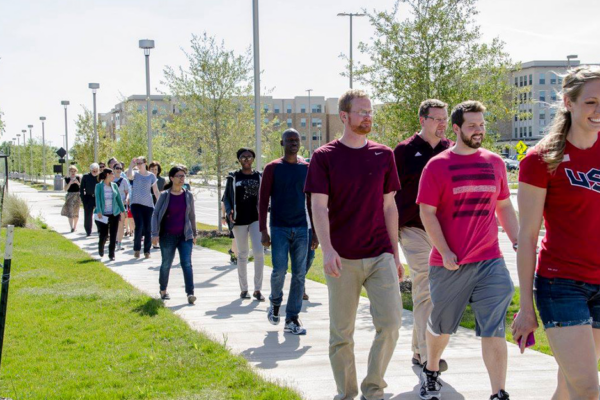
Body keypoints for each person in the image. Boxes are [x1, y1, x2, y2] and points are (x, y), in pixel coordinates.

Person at [305, 89, 403, 400]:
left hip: (380, 255)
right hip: (342, 258)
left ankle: (373, 389)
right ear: (344, 116)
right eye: (361, 112)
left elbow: (389, 206)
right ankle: (346, 394)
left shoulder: (384, 155)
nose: (367, 117)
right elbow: (319, 206)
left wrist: (395, 253)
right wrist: (328, 248)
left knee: (390, 325)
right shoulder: (324, 157)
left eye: (370, 111)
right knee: (341, 335)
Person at [417, 100, 518, 400]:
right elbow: (427, 212)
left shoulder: (494, 162)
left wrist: (518, 241)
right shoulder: (437, 165)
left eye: (482, 124)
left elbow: (503, 206)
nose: (479, 130)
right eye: (472, 125)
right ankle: (431, 369)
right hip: (450, 264)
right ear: (457, 128)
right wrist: (445, 251)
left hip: (490, 260)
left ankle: (498, 392)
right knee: (442, 326)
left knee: (494, 327)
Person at [512, 66, 600, 400]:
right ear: (568, 102)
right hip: (561, 284)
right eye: (591, 102)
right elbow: (528, 237)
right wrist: (525, 306)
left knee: (569, 385)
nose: (598, 111)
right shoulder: (541, 160)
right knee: (589, 389)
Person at [394, 99, 452, 371]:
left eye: (445, 118)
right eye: (436, 118)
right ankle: (428, 355)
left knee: (434, 292)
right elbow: (389, 195)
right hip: (414, 228)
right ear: (422, 120)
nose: (442, 123)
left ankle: (419, 350)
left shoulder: (450, 150)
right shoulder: (404, 151)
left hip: (444, 232)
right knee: (426, 286)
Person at [260, 128, 319, 335]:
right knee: (279, 270)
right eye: (289, 140)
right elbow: (263, 200)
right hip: (279, 228)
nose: (294, 143)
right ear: (282, 143)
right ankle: (275, 303)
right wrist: (263, 231)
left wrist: (316, 232)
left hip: (302, 228)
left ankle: (292, 318)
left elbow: (312, 202)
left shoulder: (307, 168)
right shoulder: (272, 168)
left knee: (299, 274)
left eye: (297, 139)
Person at [222, 148, 265, 301]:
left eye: (249, 157)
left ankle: (258, 289)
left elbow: (266, 195)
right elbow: (226, 198)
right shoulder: (233, 177)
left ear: (253, 159)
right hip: (239, 220)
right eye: (243, 157)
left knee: (259, 252)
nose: (246, 159)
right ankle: (244, 289)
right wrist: (229, 211)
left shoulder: (259, 176)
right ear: (239, 160)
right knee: (242, 254)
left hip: (255, 218)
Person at [151, 165, 198, 304]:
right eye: (179, 176)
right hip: (167, 236)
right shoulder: (165, 195)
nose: (181, 178)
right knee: (166, 263)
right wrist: (155, 233)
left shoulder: (188, 195)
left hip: (185, 236)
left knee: (187, 264)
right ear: (171, 178)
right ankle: (163, 290)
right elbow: (155, 214)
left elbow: (192, 216)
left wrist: (194, 233)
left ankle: (190, 293)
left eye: (183, 176)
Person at [127, 156, 160, 259]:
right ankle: (137, 249)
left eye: (140, 163)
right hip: (136, 204)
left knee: (148, 228)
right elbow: (129, 176)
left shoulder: (151, 176)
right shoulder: (135, 174)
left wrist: (160, 203)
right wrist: (131, 165)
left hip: (148, 205)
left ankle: (147, 251)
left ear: (145, 163)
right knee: (139, 225)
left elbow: (155, 191)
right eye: (138, 163)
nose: (139, 165)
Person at [94, 168, 125, 261]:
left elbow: (119, 199)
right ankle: (101, 246)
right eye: (112, 174)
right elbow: (98, 199)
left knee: (113, 234)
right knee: (104, 234)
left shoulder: (114, 185)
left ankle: (111, 254)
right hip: (103, 214)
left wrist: (123, 211)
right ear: (107, 174)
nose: (114, 176)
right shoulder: (99, 186)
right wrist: (99, 211)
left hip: (114, 213)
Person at [113, 162, 130, 251]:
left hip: (122, 205)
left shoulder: (124, 180)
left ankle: (119, 242)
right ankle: (114, 240)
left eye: (120, 168)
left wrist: (127, 199)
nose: (118, 170)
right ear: (113, 169)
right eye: (117, 168)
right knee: (113, 224)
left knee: (121, 224)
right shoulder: (110, 180)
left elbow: (127, 193)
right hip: (112, 205)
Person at [79, 163, 100, 236]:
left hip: (98, 197)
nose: (95, 172)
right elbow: (81, 188)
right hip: (88, 197)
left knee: (99, 214)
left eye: (96, 170)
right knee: (88, 215)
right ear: (90, 170)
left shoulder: (100, 177)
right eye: (93, 171)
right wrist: (83, 198)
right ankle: (88, 231)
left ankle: (100, 230)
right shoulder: (86, 176)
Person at [61, 165, 82, 232]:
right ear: (69, 172)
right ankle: (71, 227)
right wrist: (70, 183)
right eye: (71, 171)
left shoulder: (78, 178)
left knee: (76, 211)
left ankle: (75, 227)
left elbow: (82, 187)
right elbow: (65, 189)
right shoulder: (67, 179)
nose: (73, 172)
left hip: (77, 195)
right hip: (70, 195)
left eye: (74, 171)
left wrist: (77, 183)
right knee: (70, 211)